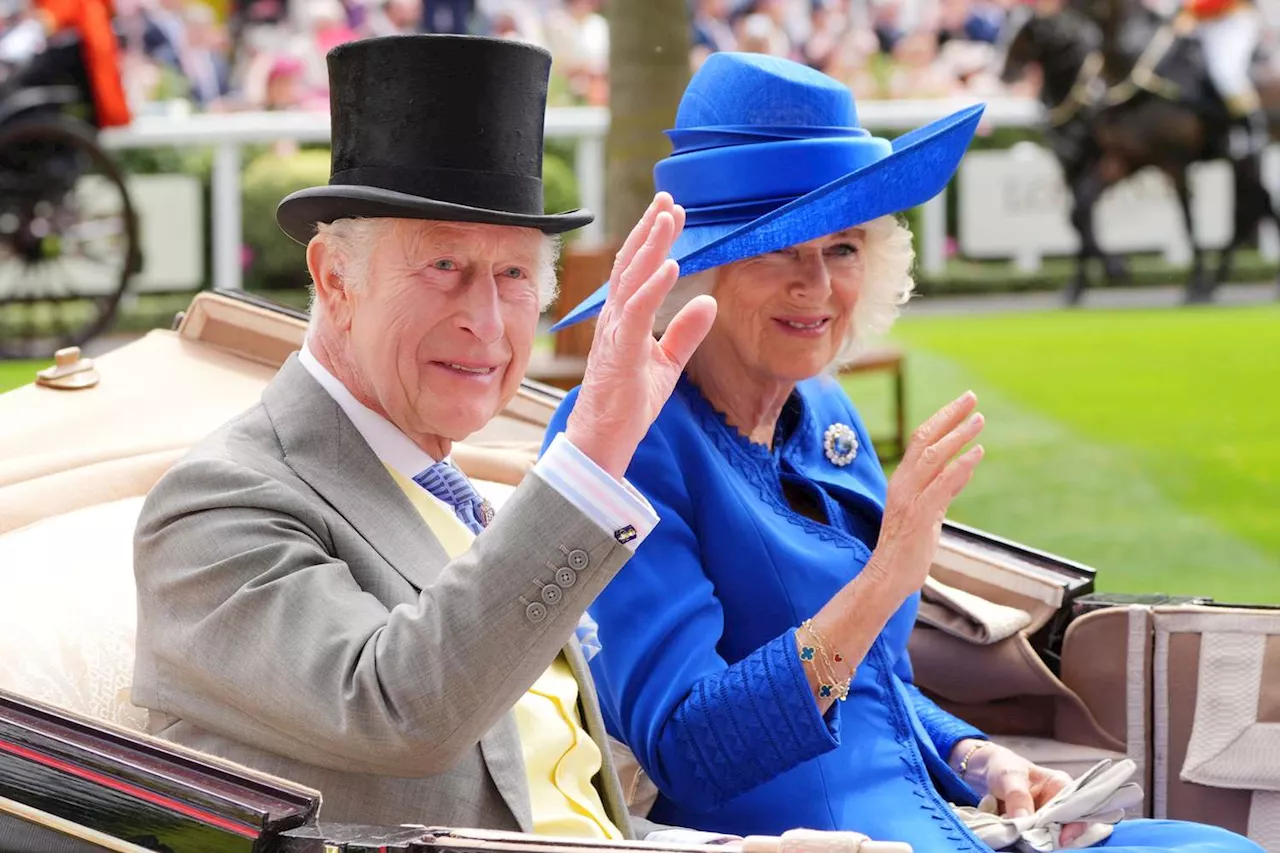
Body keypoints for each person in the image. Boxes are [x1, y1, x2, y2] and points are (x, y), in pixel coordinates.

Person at [544, 51, 1266, 853]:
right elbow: (688, 750)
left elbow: (868, 687)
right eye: (780, 247)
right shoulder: (625, 439)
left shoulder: (821, 411)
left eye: (843, 247)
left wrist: (971, 752)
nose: (817, 287)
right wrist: (890, 572)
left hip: (927, 815)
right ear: (701, 267)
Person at [130, 34, 721, 840]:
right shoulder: (218, 504)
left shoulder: (453, 489)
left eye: (513, 275)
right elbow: (398, 709)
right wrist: (590, 456)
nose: (484, 320)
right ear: (336, 279)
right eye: (444, 265)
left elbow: (567, 806)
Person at [1176, 0, 1269, 159]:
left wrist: (1190, 10)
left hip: (1232, 20)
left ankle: (1251, 129)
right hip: (1202, 23)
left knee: (1225, 73)